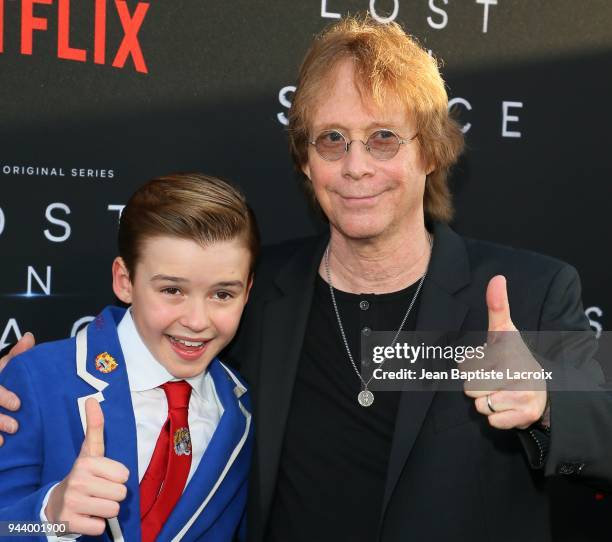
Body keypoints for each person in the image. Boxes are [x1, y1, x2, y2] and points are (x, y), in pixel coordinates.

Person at [1, 14, 611, 542]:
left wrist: (546, 403)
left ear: (429, 150)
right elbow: (139, 354)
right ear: (306, 161)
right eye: (331, 140)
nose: (355, 167)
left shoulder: (527, 292)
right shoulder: (253, 291)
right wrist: (22, 385)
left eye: (382, 139)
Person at [0, 173, 258, 541]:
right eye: (172, 290)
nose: (198, 321)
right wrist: (50, 515)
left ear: (247, 291)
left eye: (222, 295)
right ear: (125, 280)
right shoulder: (37, 379)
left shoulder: (242, 411)